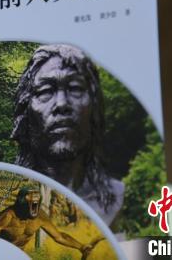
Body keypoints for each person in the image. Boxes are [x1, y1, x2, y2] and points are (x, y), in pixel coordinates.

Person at [11, 44, 124, 225]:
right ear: (25, 112)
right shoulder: (7, 200)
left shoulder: (119, 195)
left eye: (75, 88)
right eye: (45, 91)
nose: (62, 104)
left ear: (94, 106)